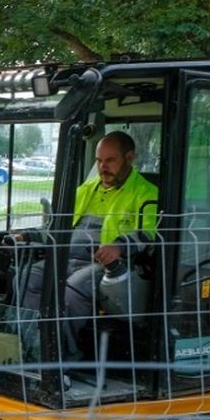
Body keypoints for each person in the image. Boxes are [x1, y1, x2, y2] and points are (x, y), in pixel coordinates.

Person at [63, 130, 158, 319]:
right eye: (99, 161)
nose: (102, 167)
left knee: (71, 292)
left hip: (105, 264)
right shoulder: (85, 190)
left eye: (110, 160)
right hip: (67, 257)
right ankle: (30, 343)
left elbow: (150, 233)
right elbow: (60, 223)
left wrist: (119, 246)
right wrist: (28, 236)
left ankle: (64, 348)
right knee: (26, 278)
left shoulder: (147, 193)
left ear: (129, 158)